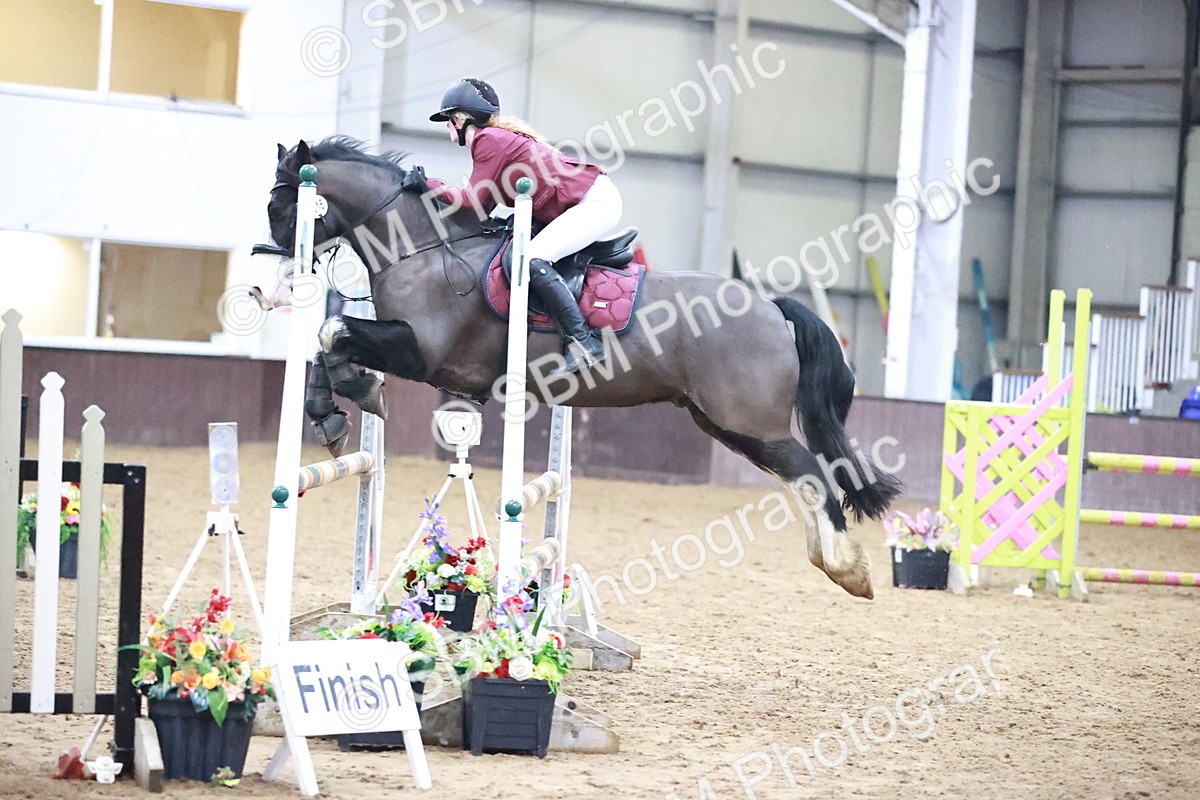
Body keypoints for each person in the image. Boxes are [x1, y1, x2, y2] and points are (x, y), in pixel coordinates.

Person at [418, 78, 622, 376]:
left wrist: (429, 185)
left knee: (530, 259)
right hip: (585, 200)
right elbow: (481, 210)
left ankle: (583, 341)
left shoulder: (488, 140)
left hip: (594, 202)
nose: (448, 129)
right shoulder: (495, 141)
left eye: (449, 121)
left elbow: (471, 199)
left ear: (461, 120)